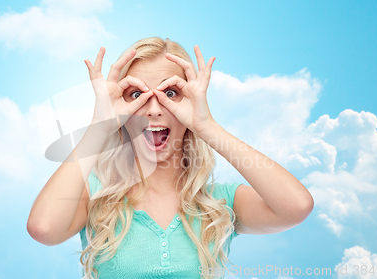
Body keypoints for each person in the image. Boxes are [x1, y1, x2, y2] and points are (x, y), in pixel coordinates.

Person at [27, 37, 314, 279]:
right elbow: (44, 228)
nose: (153, 109)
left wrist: (206, 125)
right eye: (136, 94)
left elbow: (296, 206)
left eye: (170, 92)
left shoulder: (218, 204)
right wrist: (99, 128)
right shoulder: (95, 196)